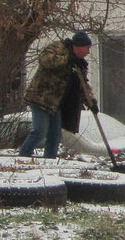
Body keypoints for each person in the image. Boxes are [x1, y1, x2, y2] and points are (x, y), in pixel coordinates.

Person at [20, 31, 97, 159]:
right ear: (78, 47)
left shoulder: (79, 64)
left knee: (55, 135)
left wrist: (91, 101)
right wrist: (67, 60)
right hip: (41, 98)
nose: (88, 52)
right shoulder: (59, 48)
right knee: (39, 132)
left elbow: (82, 84)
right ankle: (22, 158)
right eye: (87, 48)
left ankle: (50, 160)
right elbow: (44, 60)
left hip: (57, 103)